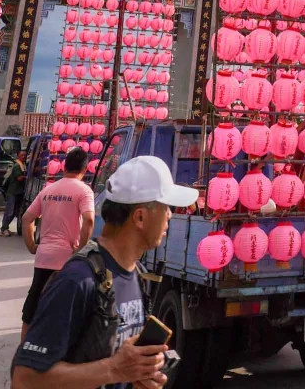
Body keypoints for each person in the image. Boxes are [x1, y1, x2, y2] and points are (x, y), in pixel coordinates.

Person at [11, 155, 199, 389]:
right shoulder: (78, 280)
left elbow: (116, 363)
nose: (170, 215)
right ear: (140, 216)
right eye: (166, 207)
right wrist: (114, 370)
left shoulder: (138, 275)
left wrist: (138, 373)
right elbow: (24, 379)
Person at [20, 148, 98, 330]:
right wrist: (81, 250)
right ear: (85, 170)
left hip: (44, 257)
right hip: (67, 260)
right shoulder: (85, 191)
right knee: (65, 311)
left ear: (64, 167)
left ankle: (24, 353)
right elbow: (89, 219)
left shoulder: (48, 190)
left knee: (32, 311)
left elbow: (26, 219)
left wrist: (32, 246)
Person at [0, 149, 30, 236]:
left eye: (25, 155)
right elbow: (19, 178)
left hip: (18, 192)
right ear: (18, 156)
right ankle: (3, 229)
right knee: (10, 211)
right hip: (12, 192)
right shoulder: (17, 166)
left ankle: (6, 228)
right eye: (22, 155)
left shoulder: (23, 165)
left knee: (14, 212)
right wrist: (27, 177)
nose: (23, 157)